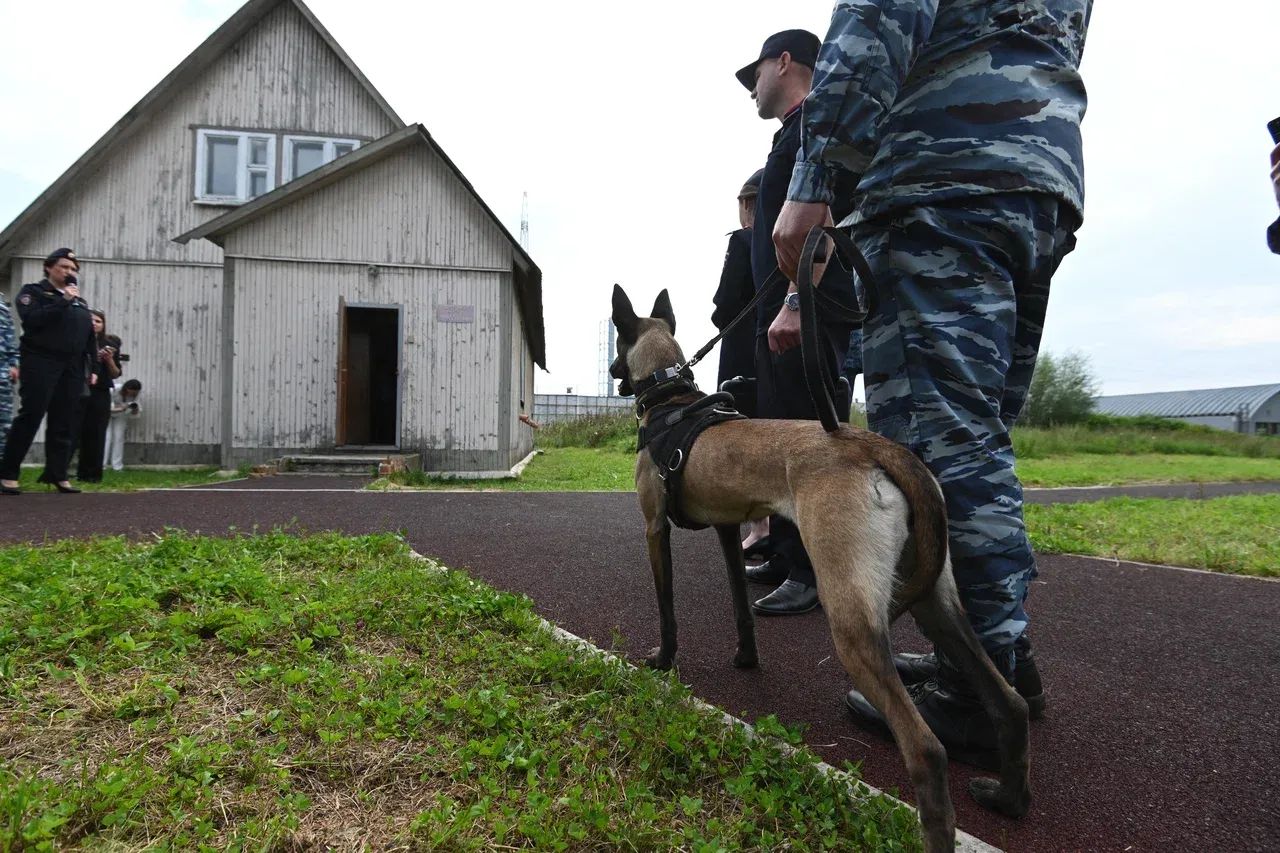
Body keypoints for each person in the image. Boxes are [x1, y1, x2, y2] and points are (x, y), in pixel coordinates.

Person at [771, 2, 1091, 762]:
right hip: (1036, 172)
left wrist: (819, 175)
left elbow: (884, 11)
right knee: (976, 434)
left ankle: (980, 691)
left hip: (940, 171)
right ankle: (998, 658)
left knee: (940, 451)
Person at [735, 29, 859, 616]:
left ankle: (814, 570)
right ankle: (787, 553)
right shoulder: (792, 133)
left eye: (755, 72)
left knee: (810, 443)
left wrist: (792, 300)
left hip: (803, 311)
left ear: (784, 62)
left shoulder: (819, 125)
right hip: (777, 315)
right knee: (780, 437)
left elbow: (822, 216)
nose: (752, 87)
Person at [0, 248, 98, 495]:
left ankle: (57, 474)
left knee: (63, 420)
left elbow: (89, 337)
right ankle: (8, 474)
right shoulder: (33, 292)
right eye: (64, 267)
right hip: (41, 361)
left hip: (73, 365)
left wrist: (92, 367)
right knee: (31, 415)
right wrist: (62, 300)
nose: (69, 272)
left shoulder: (80, 302)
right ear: (49, 267)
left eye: (73, 269)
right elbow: (32, 320)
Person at [711, 169, 770, 556]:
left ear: (747, 204)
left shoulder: (744, 241)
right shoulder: (779, 245)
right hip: (771, 354)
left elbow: (724, 305)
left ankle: (758, 527)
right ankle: (775, 529)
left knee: (743, 441)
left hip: (739, 353)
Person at [74, 310, 120, 482]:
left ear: (103, 324)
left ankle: (92, 474)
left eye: (98, 321)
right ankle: (68, 471)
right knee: (75, 431)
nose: (94, 324)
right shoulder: (77, 340)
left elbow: (116, 374)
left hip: (100, 392)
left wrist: (108, 360)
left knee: (97, 432)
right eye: (91, 320)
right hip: (79, 389)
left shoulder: (109, 344)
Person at [104, 379, 141, 472]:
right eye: (131, 393)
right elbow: (107, 408)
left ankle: (117, 466)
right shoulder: (113, 389)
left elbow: (136, 410)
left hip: (121, 415)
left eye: (135, 393)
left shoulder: (136, 394)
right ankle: (101, 465)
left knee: (119, 438)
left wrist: (134, 408)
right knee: (106, 438)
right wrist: (122, 408)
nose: (132, 395)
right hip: (107, 413)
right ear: (127, 389)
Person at [0, 293, 18, 460]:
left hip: (2, 374)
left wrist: (13, 364)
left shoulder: (2, 308)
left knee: (3, 425)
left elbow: (10, 339)